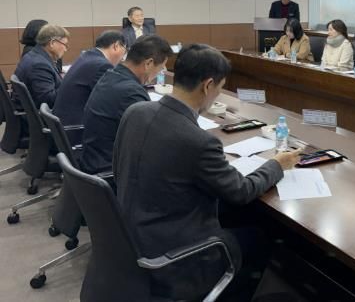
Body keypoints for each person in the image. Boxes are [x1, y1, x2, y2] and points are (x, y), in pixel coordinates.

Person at [113, 44, 301, 301]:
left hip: (127, 237)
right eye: (220, 88)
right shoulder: (198, 141)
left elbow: (119, 167)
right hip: (173, 256)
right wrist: (277, 164)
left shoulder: (135, 111)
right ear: (208, 85)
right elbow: (241, 191)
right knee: (260, 234)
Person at [79, 35, 172, 174]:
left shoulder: (111, 74)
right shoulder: (131, 92)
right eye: (161, 67)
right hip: (110, 169)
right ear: (148, 63)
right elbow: (151, 142)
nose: (161, 71)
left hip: (94, 158)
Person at [52, 31, 126, 135]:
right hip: (75, 129)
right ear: (116, 46)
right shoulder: (101, 65)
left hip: (64, 123)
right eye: (124, 51)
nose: (123, 58)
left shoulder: (87, 56)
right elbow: (112, 101)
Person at [14, 24, 70, 108]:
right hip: (39, 113)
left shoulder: (34, 55)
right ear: (52, 43)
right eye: (65, 45)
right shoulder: (39, 65)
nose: (65, 49)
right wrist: (70, 85)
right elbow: (49, 100)